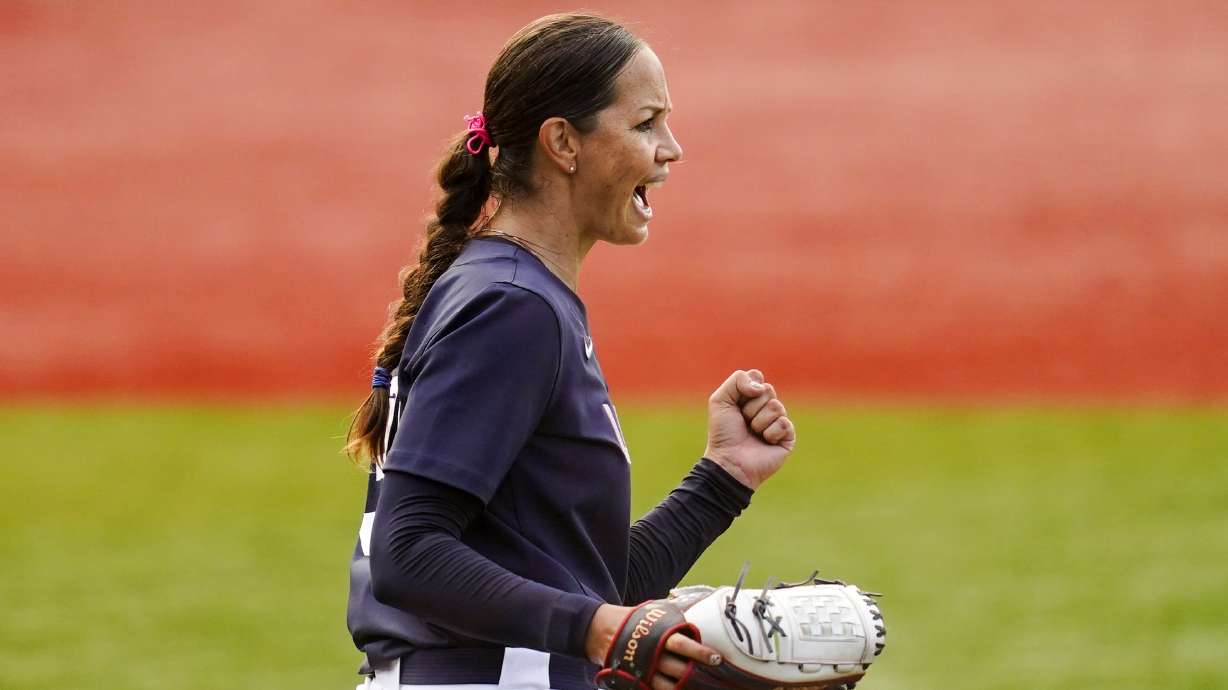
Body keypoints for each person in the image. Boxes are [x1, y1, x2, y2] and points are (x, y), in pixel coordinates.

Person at [344, 13, 796, 690]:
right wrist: (601, 630)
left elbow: (586, 581)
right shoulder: (511, 306)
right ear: (564, 142)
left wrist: (723, 479)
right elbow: (406, 553)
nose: (670, 150)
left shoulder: (518, 295)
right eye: (646, 123)